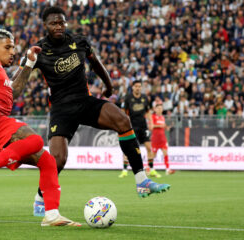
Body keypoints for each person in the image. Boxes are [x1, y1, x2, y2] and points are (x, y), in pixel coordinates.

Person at [16, 6, 170, 217]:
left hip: (85, 102)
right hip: (62, 110)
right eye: (54, 23)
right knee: (58, 160)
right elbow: (18, 80)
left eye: (62, 22)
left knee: (123, 121)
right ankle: (40, 197)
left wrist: (108, 86)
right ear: (45, 26)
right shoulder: (39, 50)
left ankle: (142, 180)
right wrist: (28, 61)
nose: (59, 26)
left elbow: (96, 64)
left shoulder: (79, 41)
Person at [0, 29, 80, 227]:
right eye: (7, 47)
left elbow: (14, 92)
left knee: (48, 162)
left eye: (13, 47)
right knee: (35, 140)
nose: (12, 51)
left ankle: (51, 215)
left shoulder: (0, 72)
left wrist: (29, 62)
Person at [119, 80, 161, 178]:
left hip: (143, 127)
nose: (138, 88)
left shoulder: (145, 98)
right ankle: (124, 170)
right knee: (128, 149)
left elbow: (148, 112)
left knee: (148, 147)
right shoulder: (128, 98)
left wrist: (151, 122)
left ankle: (151, 169)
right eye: (136, 86)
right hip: (132, 127)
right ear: (133, 87)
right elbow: (123, 112)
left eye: (139, 86)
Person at [149, 104, 175, 175]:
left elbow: (163, 126)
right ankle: (149, 168)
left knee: (165, 153)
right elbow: (151, 126)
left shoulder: (162, 117)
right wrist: (159, 126)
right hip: (155, 139)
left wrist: (167, 127)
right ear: (155, 109)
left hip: (163, 139)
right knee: (153, 155)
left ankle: (167, 169)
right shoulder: (153, 117)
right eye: (158, 108)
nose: (160, 109)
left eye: (161, 108)